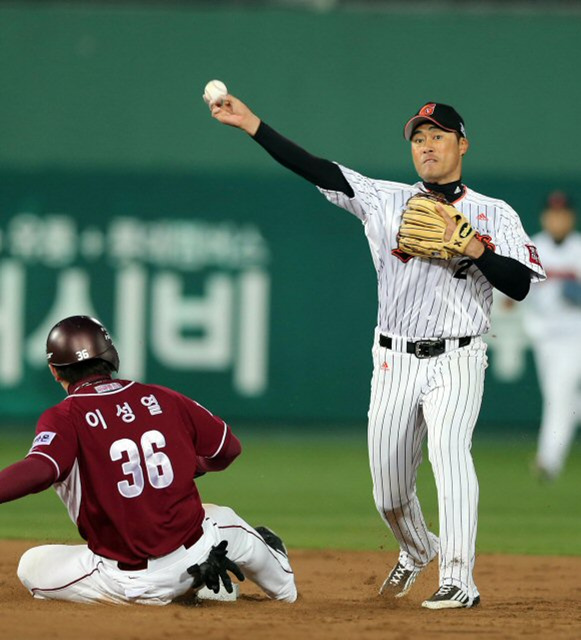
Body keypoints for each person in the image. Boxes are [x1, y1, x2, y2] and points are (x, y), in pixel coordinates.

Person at [207, 95, 546, 609]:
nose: (426, 145)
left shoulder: (494, 214)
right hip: (392, 359)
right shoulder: (384, 198)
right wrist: (251, 124)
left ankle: (459, 579)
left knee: (450, 455)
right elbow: (315, 169)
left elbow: (520, 284)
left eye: (437, 135)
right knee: (388, 491)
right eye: (418, 138)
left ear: (462, 144)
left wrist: (475, 247)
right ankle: (417, 548)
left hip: (459, 356)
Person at [0, 315, 297, 605]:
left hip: (129, 581)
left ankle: (189, 590)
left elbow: (39, 469)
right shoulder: (161, 397)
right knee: (226, 521)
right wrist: (189, 466)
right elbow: (227, 449)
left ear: (55, 370)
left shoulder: (64, 418)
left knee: (30, 565)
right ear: (110, 356)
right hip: (199, 551)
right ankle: (283, 590)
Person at [522, 192, 581, 480]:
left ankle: (548, 461)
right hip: (546, 336)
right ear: (546, 217)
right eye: (553, 213)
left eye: (563, 213)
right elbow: (520, 294)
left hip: (576, 334)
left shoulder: (579, 249)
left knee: (558, 397)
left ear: (571, 217)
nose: (558, 219)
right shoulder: (534, 247)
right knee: (562, 400)